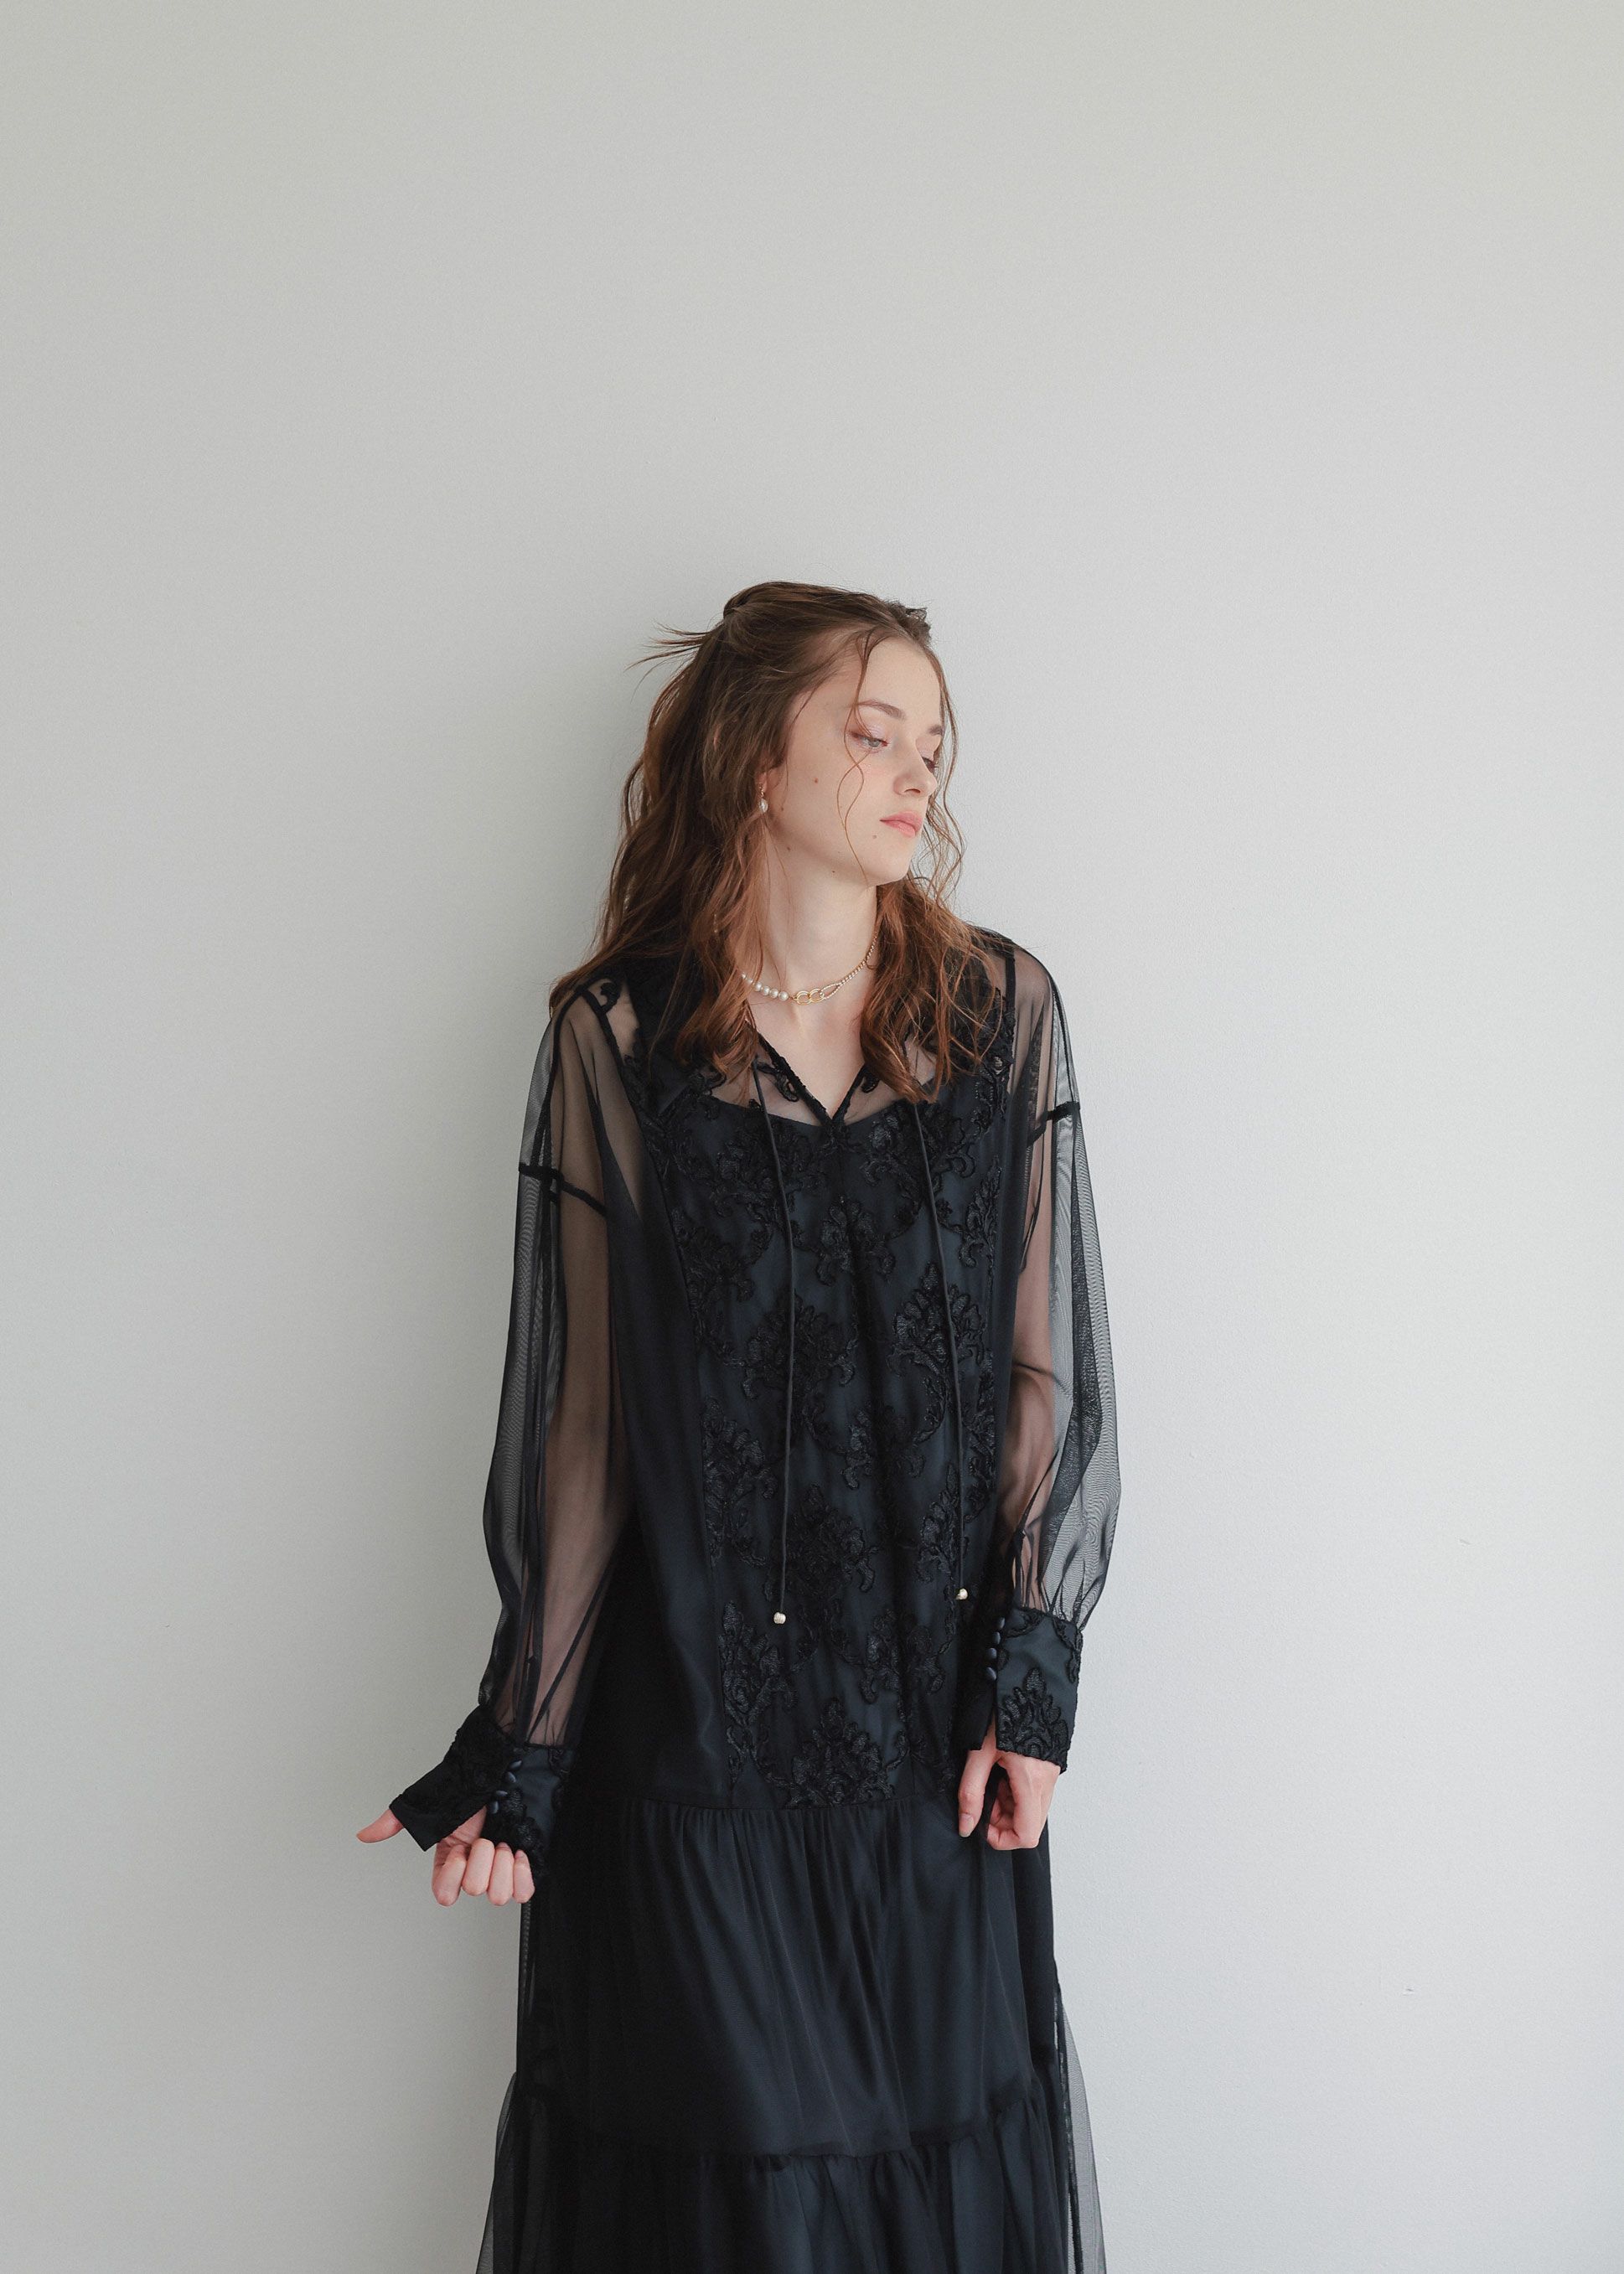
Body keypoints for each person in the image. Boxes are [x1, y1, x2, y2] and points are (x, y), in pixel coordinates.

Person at [357, 580, 1122, 2272]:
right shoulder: (619, 1039)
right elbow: (583, 1426)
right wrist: (521, 1754)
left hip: (933, 1762)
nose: (915, 775)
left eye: (933, 746)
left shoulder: (996, 1016)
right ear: (754, 764)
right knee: (733, 2207)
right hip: (688, 1751)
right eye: (872, 733)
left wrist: (1031, 1681)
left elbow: (1043, 1385)